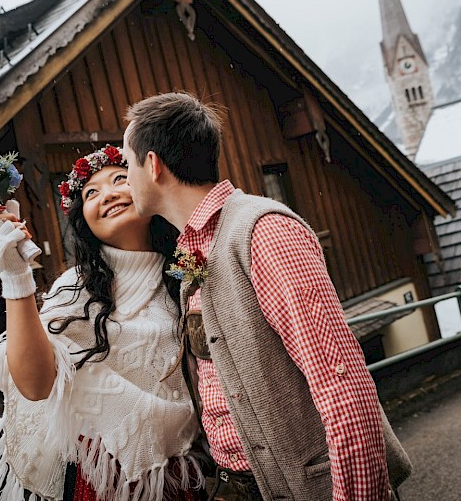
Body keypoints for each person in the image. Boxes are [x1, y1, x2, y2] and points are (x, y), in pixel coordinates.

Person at [122, 92, 406, 501]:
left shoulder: (264, 231)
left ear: (153, 165)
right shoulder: (193, 247)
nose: (125, 177)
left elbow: (342, 384)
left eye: (128, 163)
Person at [0, 145, 206, 501]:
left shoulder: (190, 277)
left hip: (182, 479)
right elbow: (36, 385)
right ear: (85, 223)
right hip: (96, 481)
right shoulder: (73, 290)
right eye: (91, 193)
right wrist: (15, 275)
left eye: (120, 180)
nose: (107, 194)